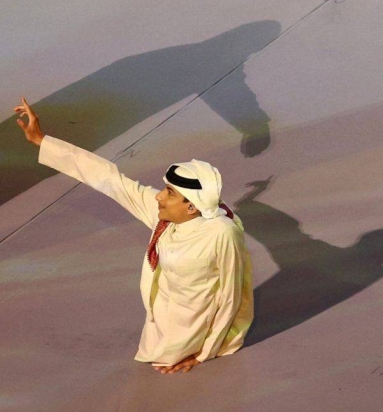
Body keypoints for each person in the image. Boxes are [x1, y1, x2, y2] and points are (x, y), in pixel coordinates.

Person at [14, 97, 253, 373]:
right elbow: (110, 179)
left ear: (191, 205)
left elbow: (232, 295)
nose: (160, 197)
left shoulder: (221, 234)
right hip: (162, 318)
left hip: (197, 325)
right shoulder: (165, 217)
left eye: (169, 193)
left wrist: (206, 352)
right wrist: (42, 141)